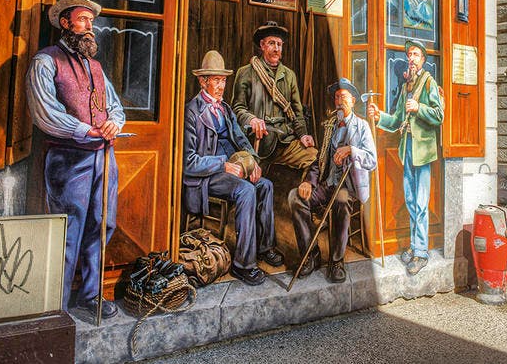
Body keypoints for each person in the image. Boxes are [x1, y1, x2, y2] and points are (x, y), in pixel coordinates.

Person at [26, 0, 125, 318]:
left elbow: (114, 105)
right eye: (83, 20)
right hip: (70, 160)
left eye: (91, 21)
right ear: (65, 22)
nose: (89, 27)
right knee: (69, 228)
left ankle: (92, 295)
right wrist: (86, 131)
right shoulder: (45, 61)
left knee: (102, 224)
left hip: (103, 158)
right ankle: (56, 303)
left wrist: (113, 123)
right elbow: (46, 114)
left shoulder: (95, 66)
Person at [183, 50, 284, 286]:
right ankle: (243, 265)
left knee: (265, 185)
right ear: (203, 81)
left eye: (223, 80)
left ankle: (264, 247)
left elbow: (240, 139)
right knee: (246, 191)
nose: (221, 85)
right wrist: (223, 165)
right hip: (207, 177)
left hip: (233, 170)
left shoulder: (226, 109)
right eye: (216, 80)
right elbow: (189, 162)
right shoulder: (191, 112)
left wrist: (253, 161)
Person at [289, 78, 377, 283]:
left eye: (343, 97)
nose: (339, 101)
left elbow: (372, 160)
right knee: (295, 197)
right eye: (336, 97)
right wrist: (308, 182)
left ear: (353, 101)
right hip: (326, 184)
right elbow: (319, 160)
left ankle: (337, 261)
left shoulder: (362, 126)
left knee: (341, 199)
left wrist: (351, 150)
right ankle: (311, 254)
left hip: (349, 186)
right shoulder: (329, 127)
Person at [367, 39, 444, 275]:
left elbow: (439, 115)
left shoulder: (430, 82)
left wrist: (418, 108)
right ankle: (414, 246)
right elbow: (397, 119)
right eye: (409, 54)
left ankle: (421, 252)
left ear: (422, 60)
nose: (411, 58)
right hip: (407, 147)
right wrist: (379, 116)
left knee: (420, 203)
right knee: (411, 201)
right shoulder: (406, 87)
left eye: (416, 54)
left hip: (423, 151)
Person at [232, 21, 318, 171]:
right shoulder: (245, 73)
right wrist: (251, 119)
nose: (276, 49)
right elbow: (237, 108)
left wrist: (303, 134)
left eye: (279, 44)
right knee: (248, 176)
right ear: (262, 45)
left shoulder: (289, 75)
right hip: (256, 142)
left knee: (314, 157)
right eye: (272, 43)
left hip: (285, 141)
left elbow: (297, 112)